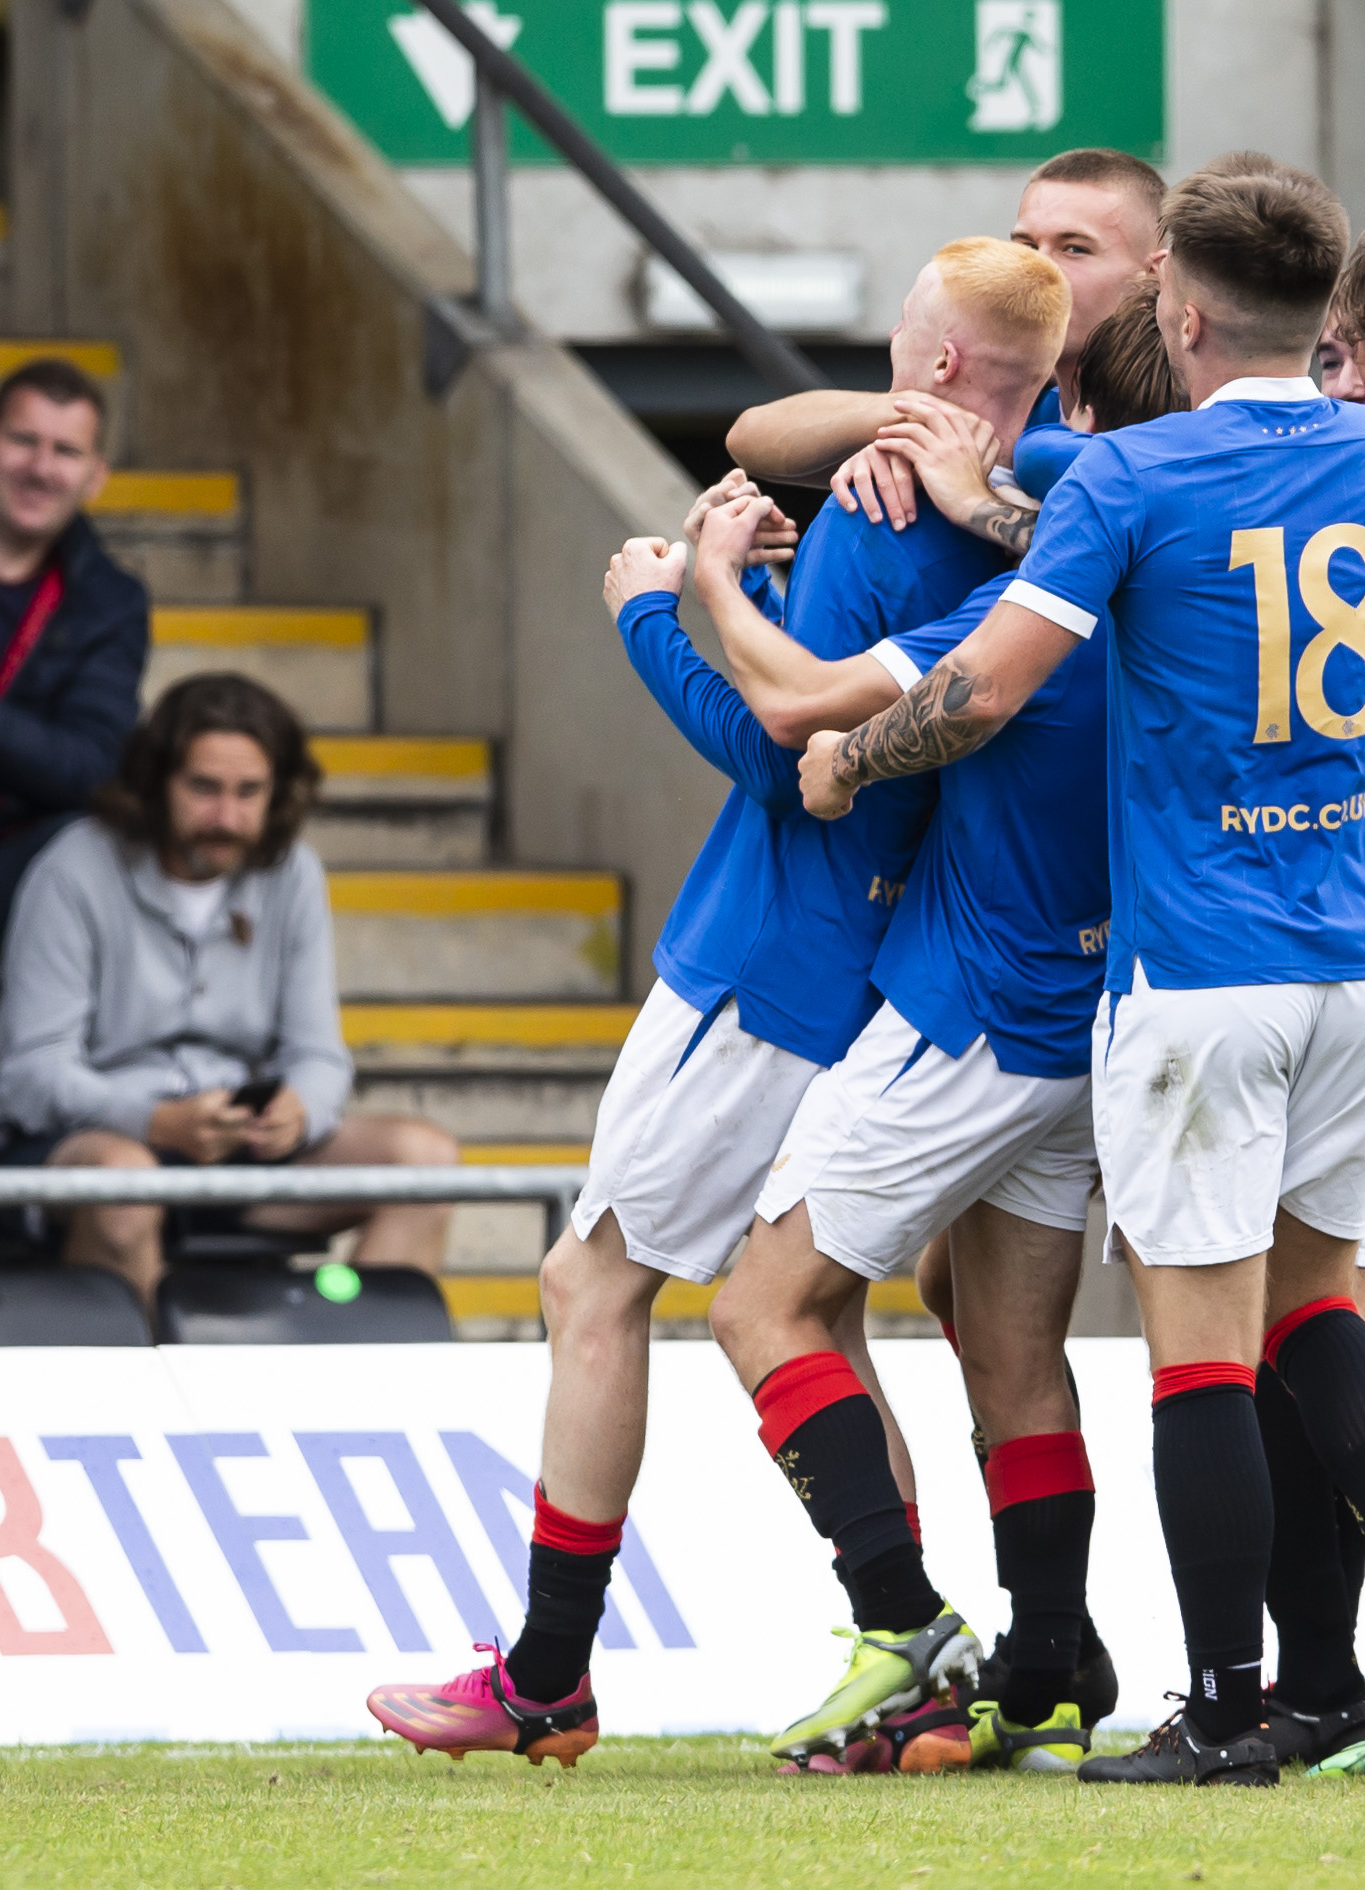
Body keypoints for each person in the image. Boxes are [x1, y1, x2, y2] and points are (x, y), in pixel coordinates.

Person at [798, 162, 1365, 1785]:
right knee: (1321, 1311)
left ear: (1180, 308)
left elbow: (988, 693)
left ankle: (1219, 1711)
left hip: (1202, 965)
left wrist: (855, 757)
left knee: (1201, 1345)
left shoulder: (1133, 475)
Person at [363, 238, 1063, 1772]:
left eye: (896, 344)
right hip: (894, 961)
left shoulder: (885, 517)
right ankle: (914, 1648)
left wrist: (663, 603)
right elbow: (792, 443)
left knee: (591, 1284)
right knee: (819, 1318)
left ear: (936, 367)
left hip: (767, 957)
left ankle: (551, 1671)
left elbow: (780, 758)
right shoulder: (1050, 500)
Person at [695, 283, 1182, 1777]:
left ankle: (904, 1629)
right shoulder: (1186, 590)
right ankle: (1045, 1661)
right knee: (1016, 1354)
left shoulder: (1024, 606)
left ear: (1087, 425)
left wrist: (695, 587)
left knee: (758, 1304)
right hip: (1094, 1026)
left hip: (972, 1008)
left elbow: (795, 712)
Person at [0, 675, 459, 1307]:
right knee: (126, 1186)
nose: (227, 817)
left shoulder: (293, 873)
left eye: (249, 792)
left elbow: (319, 1056)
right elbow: (31, 1075)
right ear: (157, 782)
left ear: (278, 793)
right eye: (204, 788)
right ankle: (158, 1401)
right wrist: (155, 1121)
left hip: (240, 1150)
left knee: (423, 1161)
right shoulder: (74, 868)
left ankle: (348, 1400)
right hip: (95, 1145)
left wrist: (300, 1112)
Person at [726, 147, 1166, 532]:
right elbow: (747, 440)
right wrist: (914, 417)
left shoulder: (1186, 420)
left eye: (1074, 249)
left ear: (1154, 272)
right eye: (1025, 245)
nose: (1041, 269)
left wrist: (976, 504)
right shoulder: (1011, 407)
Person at [0, 358, 149, 964]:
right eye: (23, 440)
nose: (40, 468)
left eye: (65, 451)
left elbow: (91, 765)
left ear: (95, 477)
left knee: (108, 847)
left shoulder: (108, 603)